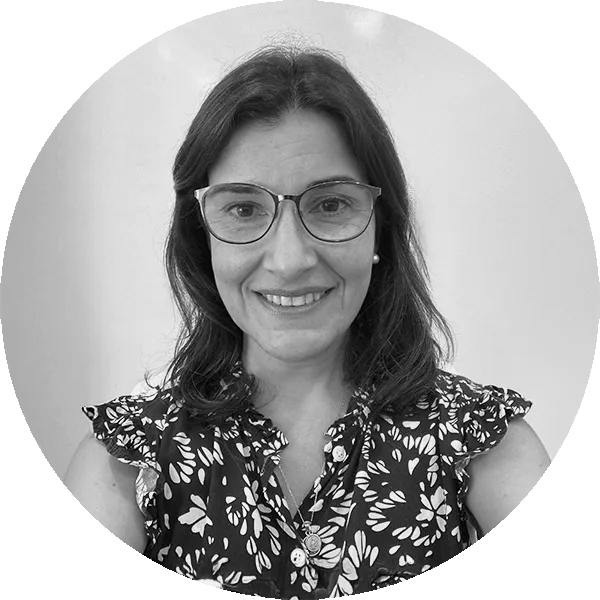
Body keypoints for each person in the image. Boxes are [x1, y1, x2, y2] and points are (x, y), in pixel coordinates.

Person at [62, 45, 552, 600]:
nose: (290, 259)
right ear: (201, 237)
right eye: (243, 209)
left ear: (380, 226)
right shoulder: (126, 460)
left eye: (330, 205)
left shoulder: (484, 444)